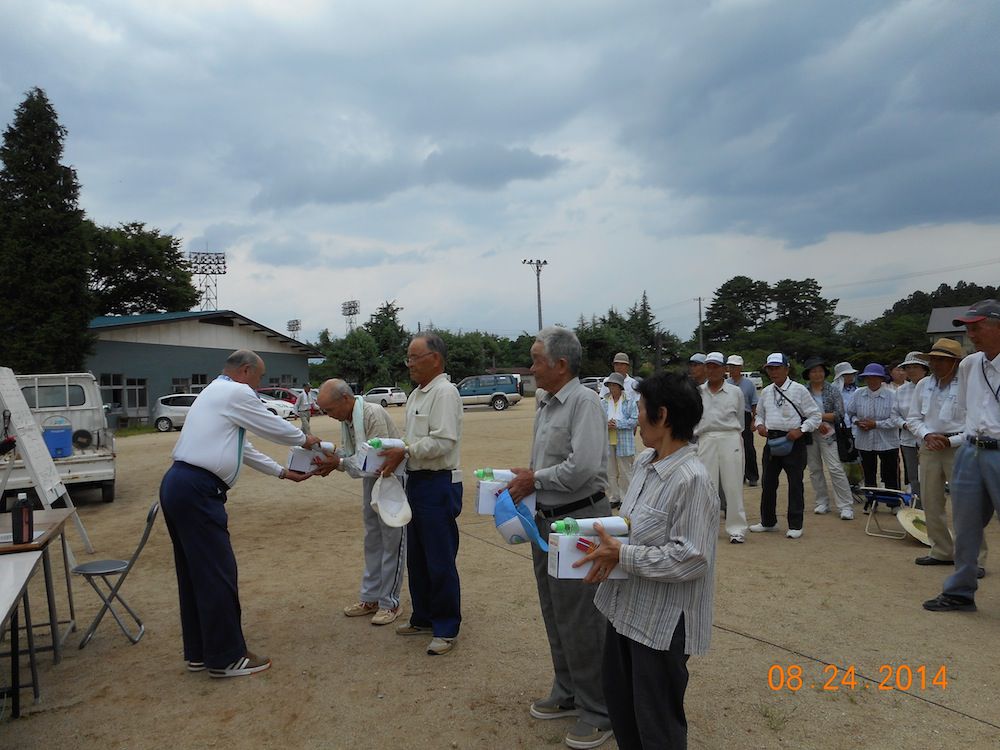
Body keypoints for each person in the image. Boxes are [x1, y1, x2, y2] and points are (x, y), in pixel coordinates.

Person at [158, 349, 318, 678]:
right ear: (245, 371)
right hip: (197, 490)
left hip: (180, 485)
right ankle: (227, 657)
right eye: (259, 379)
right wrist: (305, 439)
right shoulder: (235, 391)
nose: (259, 387)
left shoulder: (214, 393)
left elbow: (242, 447)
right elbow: (272, 426)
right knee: (218, 572)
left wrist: (281, 472)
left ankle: (201, 652)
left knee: (195, 575)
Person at [579, 371, 717, 749]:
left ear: (663, 415)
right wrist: (602, 541)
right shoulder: (644, 463)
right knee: (623, 711)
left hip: (662, 624)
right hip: (624, 610)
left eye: (639, 408)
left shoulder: (692, 479)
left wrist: (622, 553)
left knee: (657, 725)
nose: (635, 416)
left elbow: (691, 558)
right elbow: (632, 524)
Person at [507, 326, 613, 750]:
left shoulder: (583, 402)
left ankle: (600, 709)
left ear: (561, 364)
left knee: (583, 618)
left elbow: (583, 468)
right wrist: (528, 479)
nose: (531, 368)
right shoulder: (546, 403)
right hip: (546, 520)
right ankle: (568, 690)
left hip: (579, 521)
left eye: (536, 360)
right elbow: (549, 464)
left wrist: (537, 478)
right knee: (554, 610)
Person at [378, 334, 463, 655]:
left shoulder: (444, 392)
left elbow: (444, 442)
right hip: (417, 481)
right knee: (418, 555)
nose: (409, 364)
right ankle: (423, 616)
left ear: (436, 359)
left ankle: (446, 626)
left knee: (440, 558)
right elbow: (411, 441)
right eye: (408, 358)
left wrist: (405, 452)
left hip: (439, 482)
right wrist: (397, 451)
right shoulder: (416, 394)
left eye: (415, 357)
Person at [924, 300, 1000, 612]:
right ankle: (960, 592)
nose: (970, 333)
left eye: (977, 326)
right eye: (967, 327)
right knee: (966, 524)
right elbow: (969, 410)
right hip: (971, 450)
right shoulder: (969, 365)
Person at [313, 378, 406, 626]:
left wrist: (339, 463)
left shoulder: (371, 413)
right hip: (371, 482)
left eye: (329, 410)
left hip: (391, 482)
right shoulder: (349, 419)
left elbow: (373, 461)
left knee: (391, 541)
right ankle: (371, 597)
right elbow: (352, 454)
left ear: (345, 399)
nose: (328, 415)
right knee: (372, 539)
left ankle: (390, 602)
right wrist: (328, 452)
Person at [906, 339, 985, 573]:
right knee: (930, 501)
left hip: (960, 446)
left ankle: (975, 559)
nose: (935, 364)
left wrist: (951, 440)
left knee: (967, 505)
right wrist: (927, 435)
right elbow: (913, 418)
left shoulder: (968, 385)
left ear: (955, 362)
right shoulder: (923, 385)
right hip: (930, 445)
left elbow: (978, 422)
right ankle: (941, 550)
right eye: (933, 359)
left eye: (941, 359)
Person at [750, 353, 821, 539]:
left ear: (786, 369)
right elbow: (759, 414)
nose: (773, 372)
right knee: (768, 482)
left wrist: (801, 429)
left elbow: (815, 416)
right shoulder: (766, 391)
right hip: (772, 439)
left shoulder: (799, 390)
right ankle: (768, 521)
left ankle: (796, 524)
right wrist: (759, 425)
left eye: (776, 368)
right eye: (770, 369)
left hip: (793, 440)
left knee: (795, 483)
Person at [696, 352, 748, 543]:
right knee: (706, 485)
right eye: (709, 366)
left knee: (733, 485)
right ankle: (706, 528)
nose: (712, 370)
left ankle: (737, 529)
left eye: (716, 366)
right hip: (706, 438)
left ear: (724, 368)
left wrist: (733, 436)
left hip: (730, 437)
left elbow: (740, 421)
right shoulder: (699, 391)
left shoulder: (735, 392)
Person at [802, 357, 854, 520]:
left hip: (829, 434)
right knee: (815, 469)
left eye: (820, 370)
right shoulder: (803, 391)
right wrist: (817, 422)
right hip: (809, 434)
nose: (817, 374)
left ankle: (845, 505)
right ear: (808, 374)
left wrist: (816, 418)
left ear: (825, 373)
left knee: (835, 468)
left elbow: (839, 414)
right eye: (813, 371)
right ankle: (822, 502)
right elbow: (799, 413)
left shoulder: (832, 390)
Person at [846, 363, 902, 493]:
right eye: (869, 378)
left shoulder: (892, 395)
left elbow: (896, 420)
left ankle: (893, 502)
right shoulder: (858, 393)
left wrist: (876, 424)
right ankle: (870, 501)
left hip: (887, 441)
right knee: (868, 473)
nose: (872, 380)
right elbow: (850, 414)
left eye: (876, 377)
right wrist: (857, 422)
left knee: (890, 473)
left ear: (882, 379)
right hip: (864, 440)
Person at [601, 372, 639, 509]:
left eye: (614, 386)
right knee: (610, 471)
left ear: (620, 387)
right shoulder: (603, 402)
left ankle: (626, 498)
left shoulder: (629, 401)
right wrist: (606, 423)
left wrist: (618, 424)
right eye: (609, 386)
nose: (611, 388)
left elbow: (635, 420)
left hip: (624, 440)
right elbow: (597, 420)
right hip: (608, 440)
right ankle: (614, 497)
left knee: (625, 471)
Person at [896, 352, 930, 498]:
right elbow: (894, 415)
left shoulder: (933, 386)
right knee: (913, 476)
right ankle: (918, 508)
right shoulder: (901, 390)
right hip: (908, 439)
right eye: (908, 367)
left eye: (915, 366)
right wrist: (904, 425)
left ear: (924, 369)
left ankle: (931, 508)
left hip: (929, 439)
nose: (911, 370)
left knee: (930, 476)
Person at [726, 354, 759, 487]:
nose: (732, 369)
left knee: (748, 447)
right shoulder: (726, 383)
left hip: (745, 416)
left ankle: (752, 476)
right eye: (730, 366)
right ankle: (738, 475)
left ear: (741, 368)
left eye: (735, 367)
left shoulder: (748, 384)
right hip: (730, 416)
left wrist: (753, 420)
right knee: (732, 448)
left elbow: (754, 404)